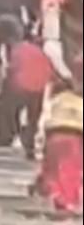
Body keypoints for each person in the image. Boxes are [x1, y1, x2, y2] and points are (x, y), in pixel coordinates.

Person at [0, 36, 55, 156]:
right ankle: (29, 141)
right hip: (38, 88)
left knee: (4, 108)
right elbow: (51, 73)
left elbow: (12, 68)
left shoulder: (19, 49)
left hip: (20, 85)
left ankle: (5, 136)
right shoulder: (44, 53)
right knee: (33, 117)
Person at [34, 78, 83, 213]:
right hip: (75, 136)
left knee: (53, 168)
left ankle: (53, 193)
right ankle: (68, 201)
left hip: (54, 135)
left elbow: (43, 123)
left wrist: (40, 146)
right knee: (72, 170)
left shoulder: (54, 101)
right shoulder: (80, 102)